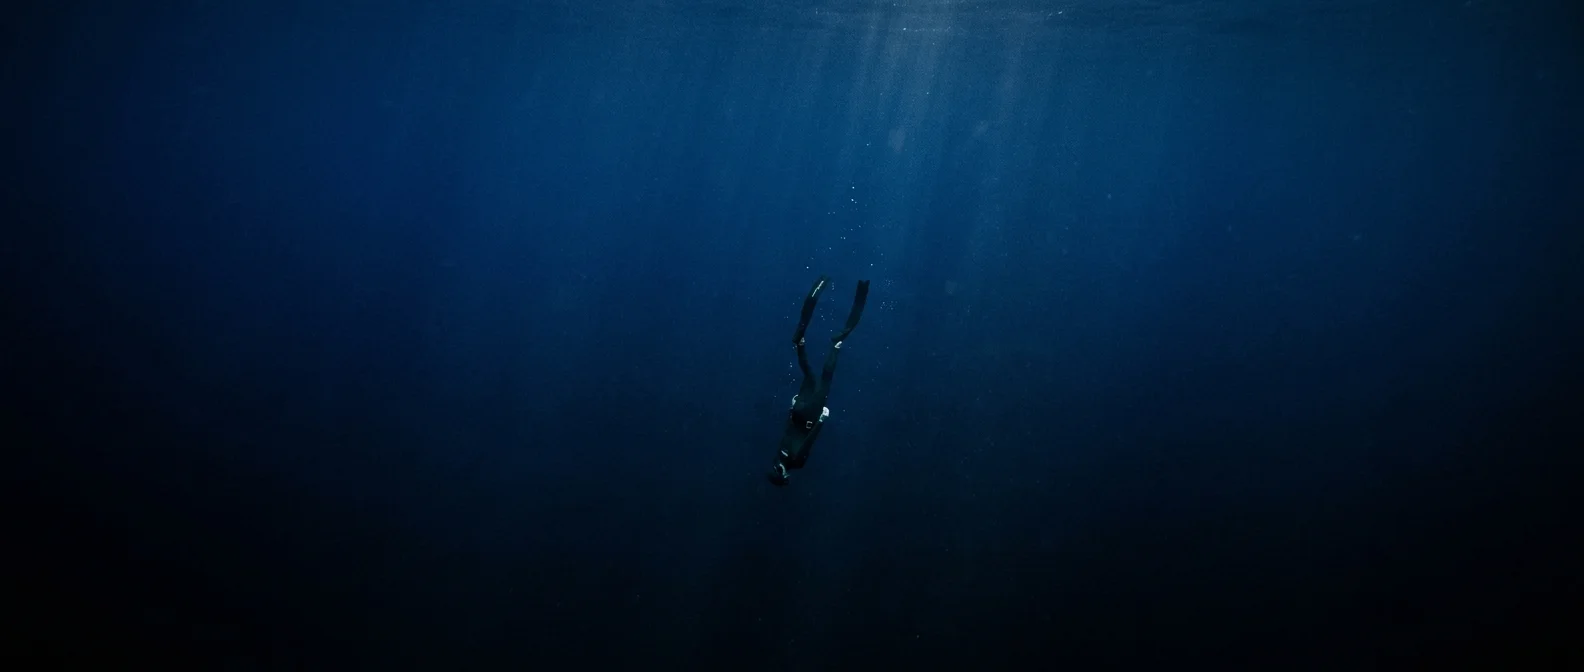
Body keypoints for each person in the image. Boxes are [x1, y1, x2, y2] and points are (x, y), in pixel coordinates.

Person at [767, 275, 869, 486]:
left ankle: (836, 344)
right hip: (798, 411)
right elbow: (788, 431)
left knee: (825, 377)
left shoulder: (795, 462)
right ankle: (800, 344)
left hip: (811, 416)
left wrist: (822, 420)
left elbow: (808, 442)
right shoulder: (778, 454)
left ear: (785, 476)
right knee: (809, 374)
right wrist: (792, 407)